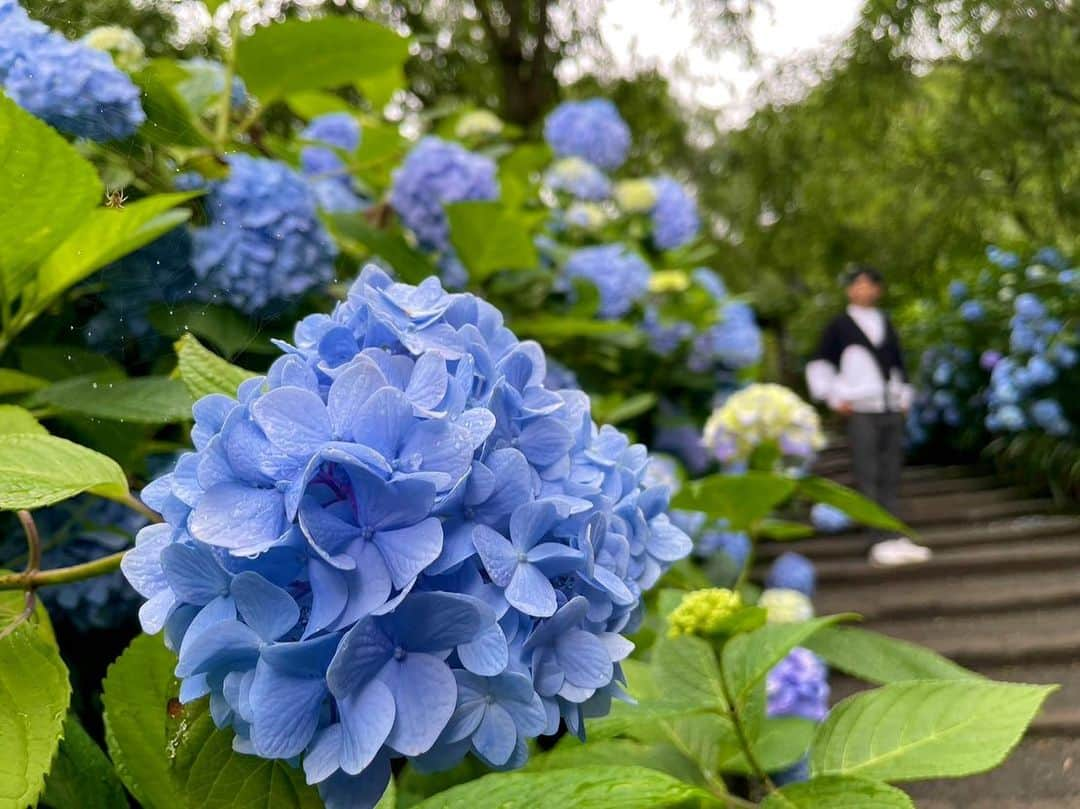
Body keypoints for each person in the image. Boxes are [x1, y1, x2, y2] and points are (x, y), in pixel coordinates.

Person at [805, 265, 932, 567]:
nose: (863, 290)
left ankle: (893, 532)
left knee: (890, 471)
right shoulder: (839, 326)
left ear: (877, 290)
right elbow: (820, 364)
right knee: (867, 470)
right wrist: (833, 397)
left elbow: (898, 363)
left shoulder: (884, 322)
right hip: (859, 407)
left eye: (869, 284)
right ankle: (876, 538)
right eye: (857, 285)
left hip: (888, 405)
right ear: (850, 290)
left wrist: (903, 397)